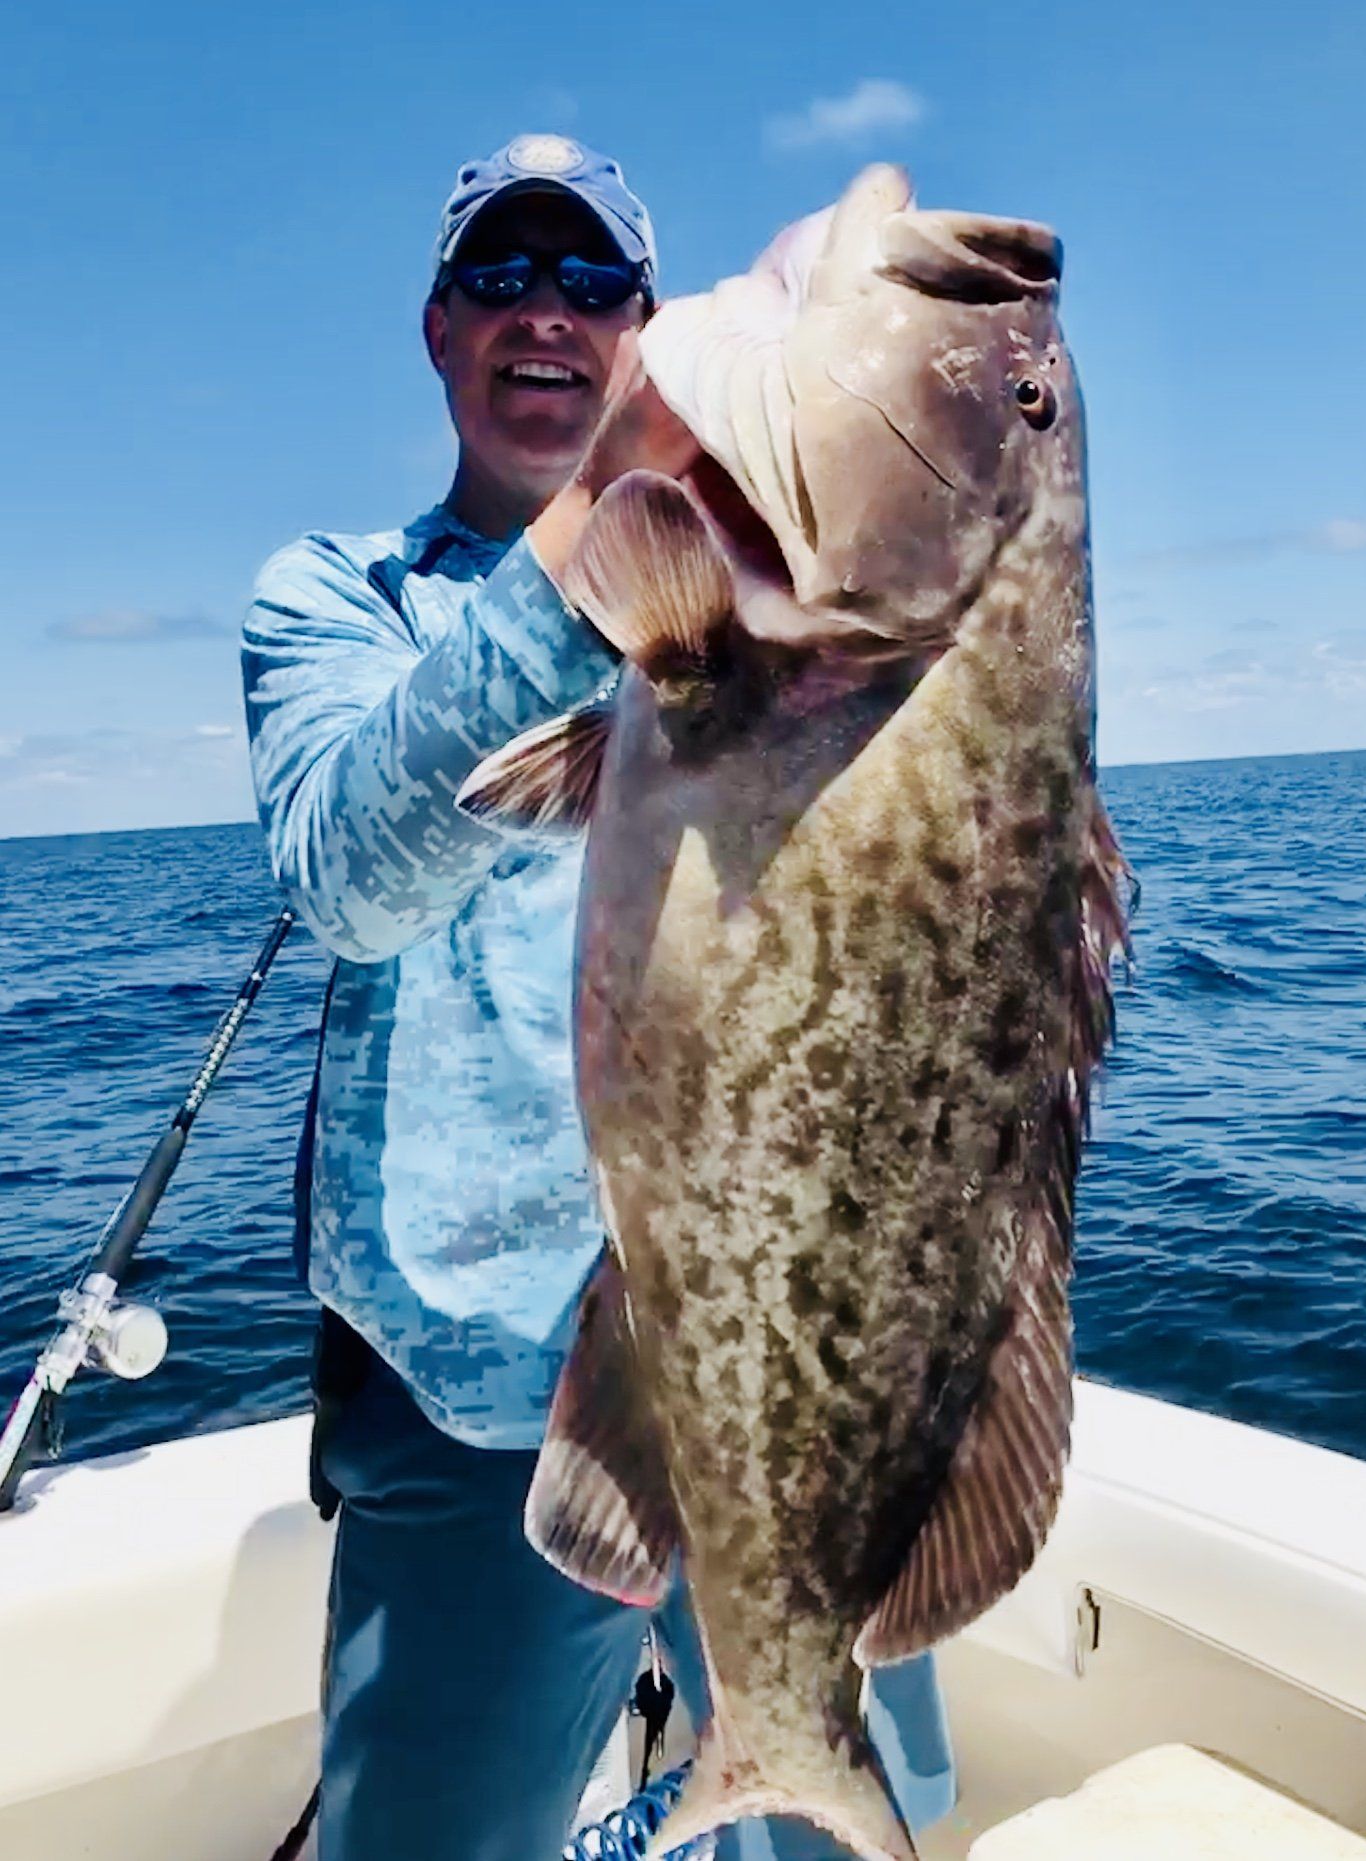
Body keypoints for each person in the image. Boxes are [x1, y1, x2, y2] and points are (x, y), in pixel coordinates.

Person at [242, 134, 953, 1861]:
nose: (542, 313)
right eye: (500, 275)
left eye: (588, 283)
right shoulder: (331, 598)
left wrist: (877, 405)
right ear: (436, 326)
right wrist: (601, 530)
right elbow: (344, 875)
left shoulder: (786, 593)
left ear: (647, 326)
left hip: (803, 1357)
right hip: (473, 1392)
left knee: (877, 1814)